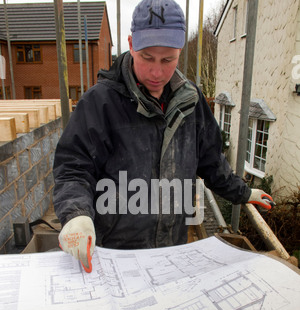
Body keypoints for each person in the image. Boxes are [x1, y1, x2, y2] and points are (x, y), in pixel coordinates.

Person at [53, 0, 274, 273]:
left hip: (172, 250)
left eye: (168, 59)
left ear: (180, 50)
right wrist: (76, 216)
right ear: (131, 44)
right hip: (115, 255)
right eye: (147, 57)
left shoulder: (191, 102)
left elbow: (212, 161)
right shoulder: (100, 104)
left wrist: (244, 192)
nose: (157, 72)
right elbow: (73, 168)